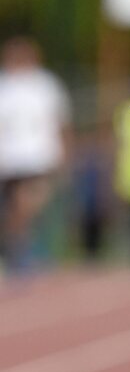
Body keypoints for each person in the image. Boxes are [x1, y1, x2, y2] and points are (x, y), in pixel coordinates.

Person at [0, 36, 71, 272]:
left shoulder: (45, 85)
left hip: (39, 156)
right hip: (11, 159)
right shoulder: (6, 86)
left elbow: (60, 121)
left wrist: (64, 150)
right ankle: (21, 250)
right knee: (19, 207)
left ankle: (24, 248)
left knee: (27, 205)